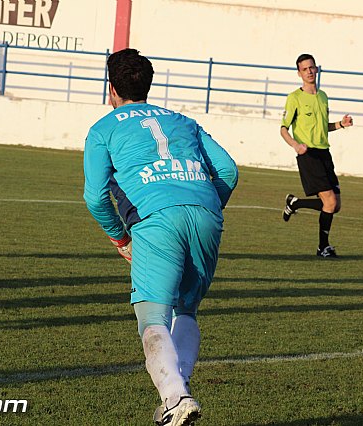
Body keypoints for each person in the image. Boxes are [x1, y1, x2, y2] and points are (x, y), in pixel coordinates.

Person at [83, 48, 238, 425]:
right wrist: (203, 205)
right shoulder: (182, 120)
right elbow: (229, 171)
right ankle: (176, 401)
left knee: (152, 314)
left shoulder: (104, 128)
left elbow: (95, 195)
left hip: (155, 218)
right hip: (205, 211)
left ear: (111, 89)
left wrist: (120, 238)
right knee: (186, 308)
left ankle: (174, 397)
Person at [280, 53, 352, 258]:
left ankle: (295, 203)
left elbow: (323, 127)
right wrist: (295, 145)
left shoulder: (323, 96)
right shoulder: (294, 98)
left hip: (324, 152)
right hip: (308, 154)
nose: (310, 71)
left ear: (317, 69)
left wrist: (340, 124)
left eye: (312, 67)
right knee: (329, 203)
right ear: (299, 73)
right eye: (305, 69)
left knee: (335, 205)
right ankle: (323, 247)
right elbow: (283, 128)